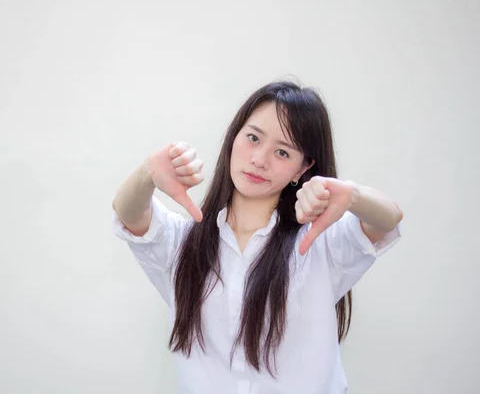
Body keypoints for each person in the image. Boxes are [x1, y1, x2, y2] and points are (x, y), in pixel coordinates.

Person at [111, 80, 403, 393]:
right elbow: (130, 214)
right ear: (233, 137)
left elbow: (387, 221)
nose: (260, 159)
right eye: (253, 138)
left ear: (301, 169)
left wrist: (354, 196)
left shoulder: (318, 244)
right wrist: (147, 174)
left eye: (282, 151)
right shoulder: (183, 244)